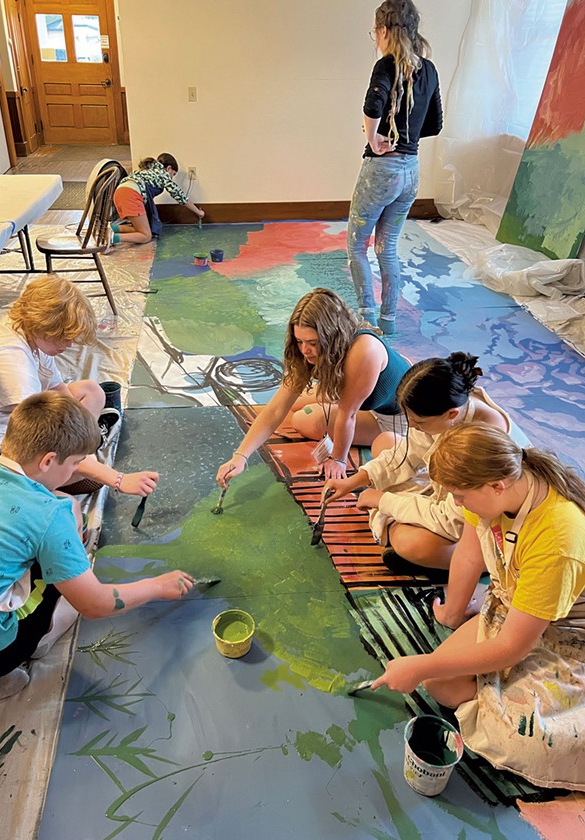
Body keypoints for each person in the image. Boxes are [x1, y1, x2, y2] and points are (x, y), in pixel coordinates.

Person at [371, 424, 585, 790]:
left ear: (496, 485)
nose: (456, 503)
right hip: (515, 606)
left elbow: (511, 649)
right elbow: (470, 555)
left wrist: (418, 664)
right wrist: (452, 614)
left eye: (459, 495)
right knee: (442, 684)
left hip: (566, 631)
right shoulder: (495, 492)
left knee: (528, 740)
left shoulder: (558, 537)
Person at [0, 393, 195, 700]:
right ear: (49, 460)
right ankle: (15, 653)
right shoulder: (49, 514)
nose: (76, 470)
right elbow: (96, 604)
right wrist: (157, 586)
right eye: (76, 463)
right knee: (69, 579)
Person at [0, 274, 157, 497]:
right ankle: (58, 476)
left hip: (0, 414)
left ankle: (76, 462)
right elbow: (42, 435)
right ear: (45, 326)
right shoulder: (9, 359)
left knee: (92, 392)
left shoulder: (24, 326)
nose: (69, 344)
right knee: (86, 474)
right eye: (64, 338)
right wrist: (117, 479)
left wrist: (80, 439)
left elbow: (59, 391)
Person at [325, 353, 510, 573]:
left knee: (411, 543)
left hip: (475, 528)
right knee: (385, 441)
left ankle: (474, 565)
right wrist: (353, 481)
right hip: (442, 493)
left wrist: (384, 501)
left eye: (419, 422)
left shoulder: (480, 442)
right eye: (409, 419)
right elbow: (407, 452)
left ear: (451, 414)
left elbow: (450, 519)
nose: (411, 426)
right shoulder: (453, 410)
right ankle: (394, 526)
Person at [216, 288, 410, 485]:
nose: (304, 350)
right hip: (367, 394)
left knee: (304, 419)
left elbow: (347, 414)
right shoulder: (314, 351)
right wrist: (240, 456)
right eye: (299, 341)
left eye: (312, 343)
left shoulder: (364, 350)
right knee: (295, 401)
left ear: (333, 337)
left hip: (397, 419)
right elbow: (276, 409)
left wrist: (338, 459)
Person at [348, 0, 442, 335]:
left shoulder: (387, 65)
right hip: (410, 172)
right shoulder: (428, 70)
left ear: (385, 30)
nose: (375, 38)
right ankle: (388, 323)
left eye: (375, 32)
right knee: (386, 248)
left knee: (357, 246)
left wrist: (374, 138)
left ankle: (367, 320)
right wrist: (405, 135)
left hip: (382, 171)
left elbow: (373, 103)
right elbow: (434, 124)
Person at [110, 153, 205, 246]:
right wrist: (199, 212)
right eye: (173, 174)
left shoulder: (146, 170)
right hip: (132, 195)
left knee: (143, 228)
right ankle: (112, 238)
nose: (172, 177)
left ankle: (112, 228)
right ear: (169, 168)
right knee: (146, 236)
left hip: (119, 192)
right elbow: (181, 197)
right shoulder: (164, 175)